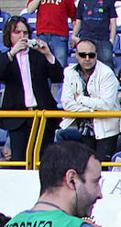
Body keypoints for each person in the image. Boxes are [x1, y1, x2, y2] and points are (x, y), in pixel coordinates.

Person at [0, 16, 64, 165]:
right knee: (19, 162)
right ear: (9, 35)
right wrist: (12, 53)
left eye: (25, 33)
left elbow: (58, 77)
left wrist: (48, 54)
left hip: (42, 115)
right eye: (17, 32)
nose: (22, 37)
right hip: (18, 118)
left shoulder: (39, 55)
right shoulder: (6, 58)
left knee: (43, 162)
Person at [60, 39, 121, 162]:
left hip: (107, 130)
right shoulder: (69, 72)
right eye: (83, 55)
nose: (87, 58)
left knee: (102, 168)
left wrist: (80, 99)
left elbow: (106, 105)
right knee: (85, 169)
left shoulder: (107, 73)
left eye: (91, 55)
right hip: (83, 128)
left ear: (96, 55)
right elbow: (67, 103)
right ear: (76, 55)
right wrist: (91, 110)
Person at [21, 0, 74, 66]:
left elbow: (74, 16)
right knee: (42, 64)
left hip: (60, 36)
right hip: (42, 35)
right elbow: (30, 10)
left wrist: (74, 35)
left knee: (61, 64)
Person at [72, 0, 117, 67]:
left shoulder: (108, 1)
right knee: (84, 66)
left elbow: (113, 22)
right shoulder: (82, 1)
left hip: (103, 39)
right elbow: (78, 21)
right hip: (86, 39)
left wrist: (112, 40)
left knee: (107, 66)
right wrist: (74, 36)